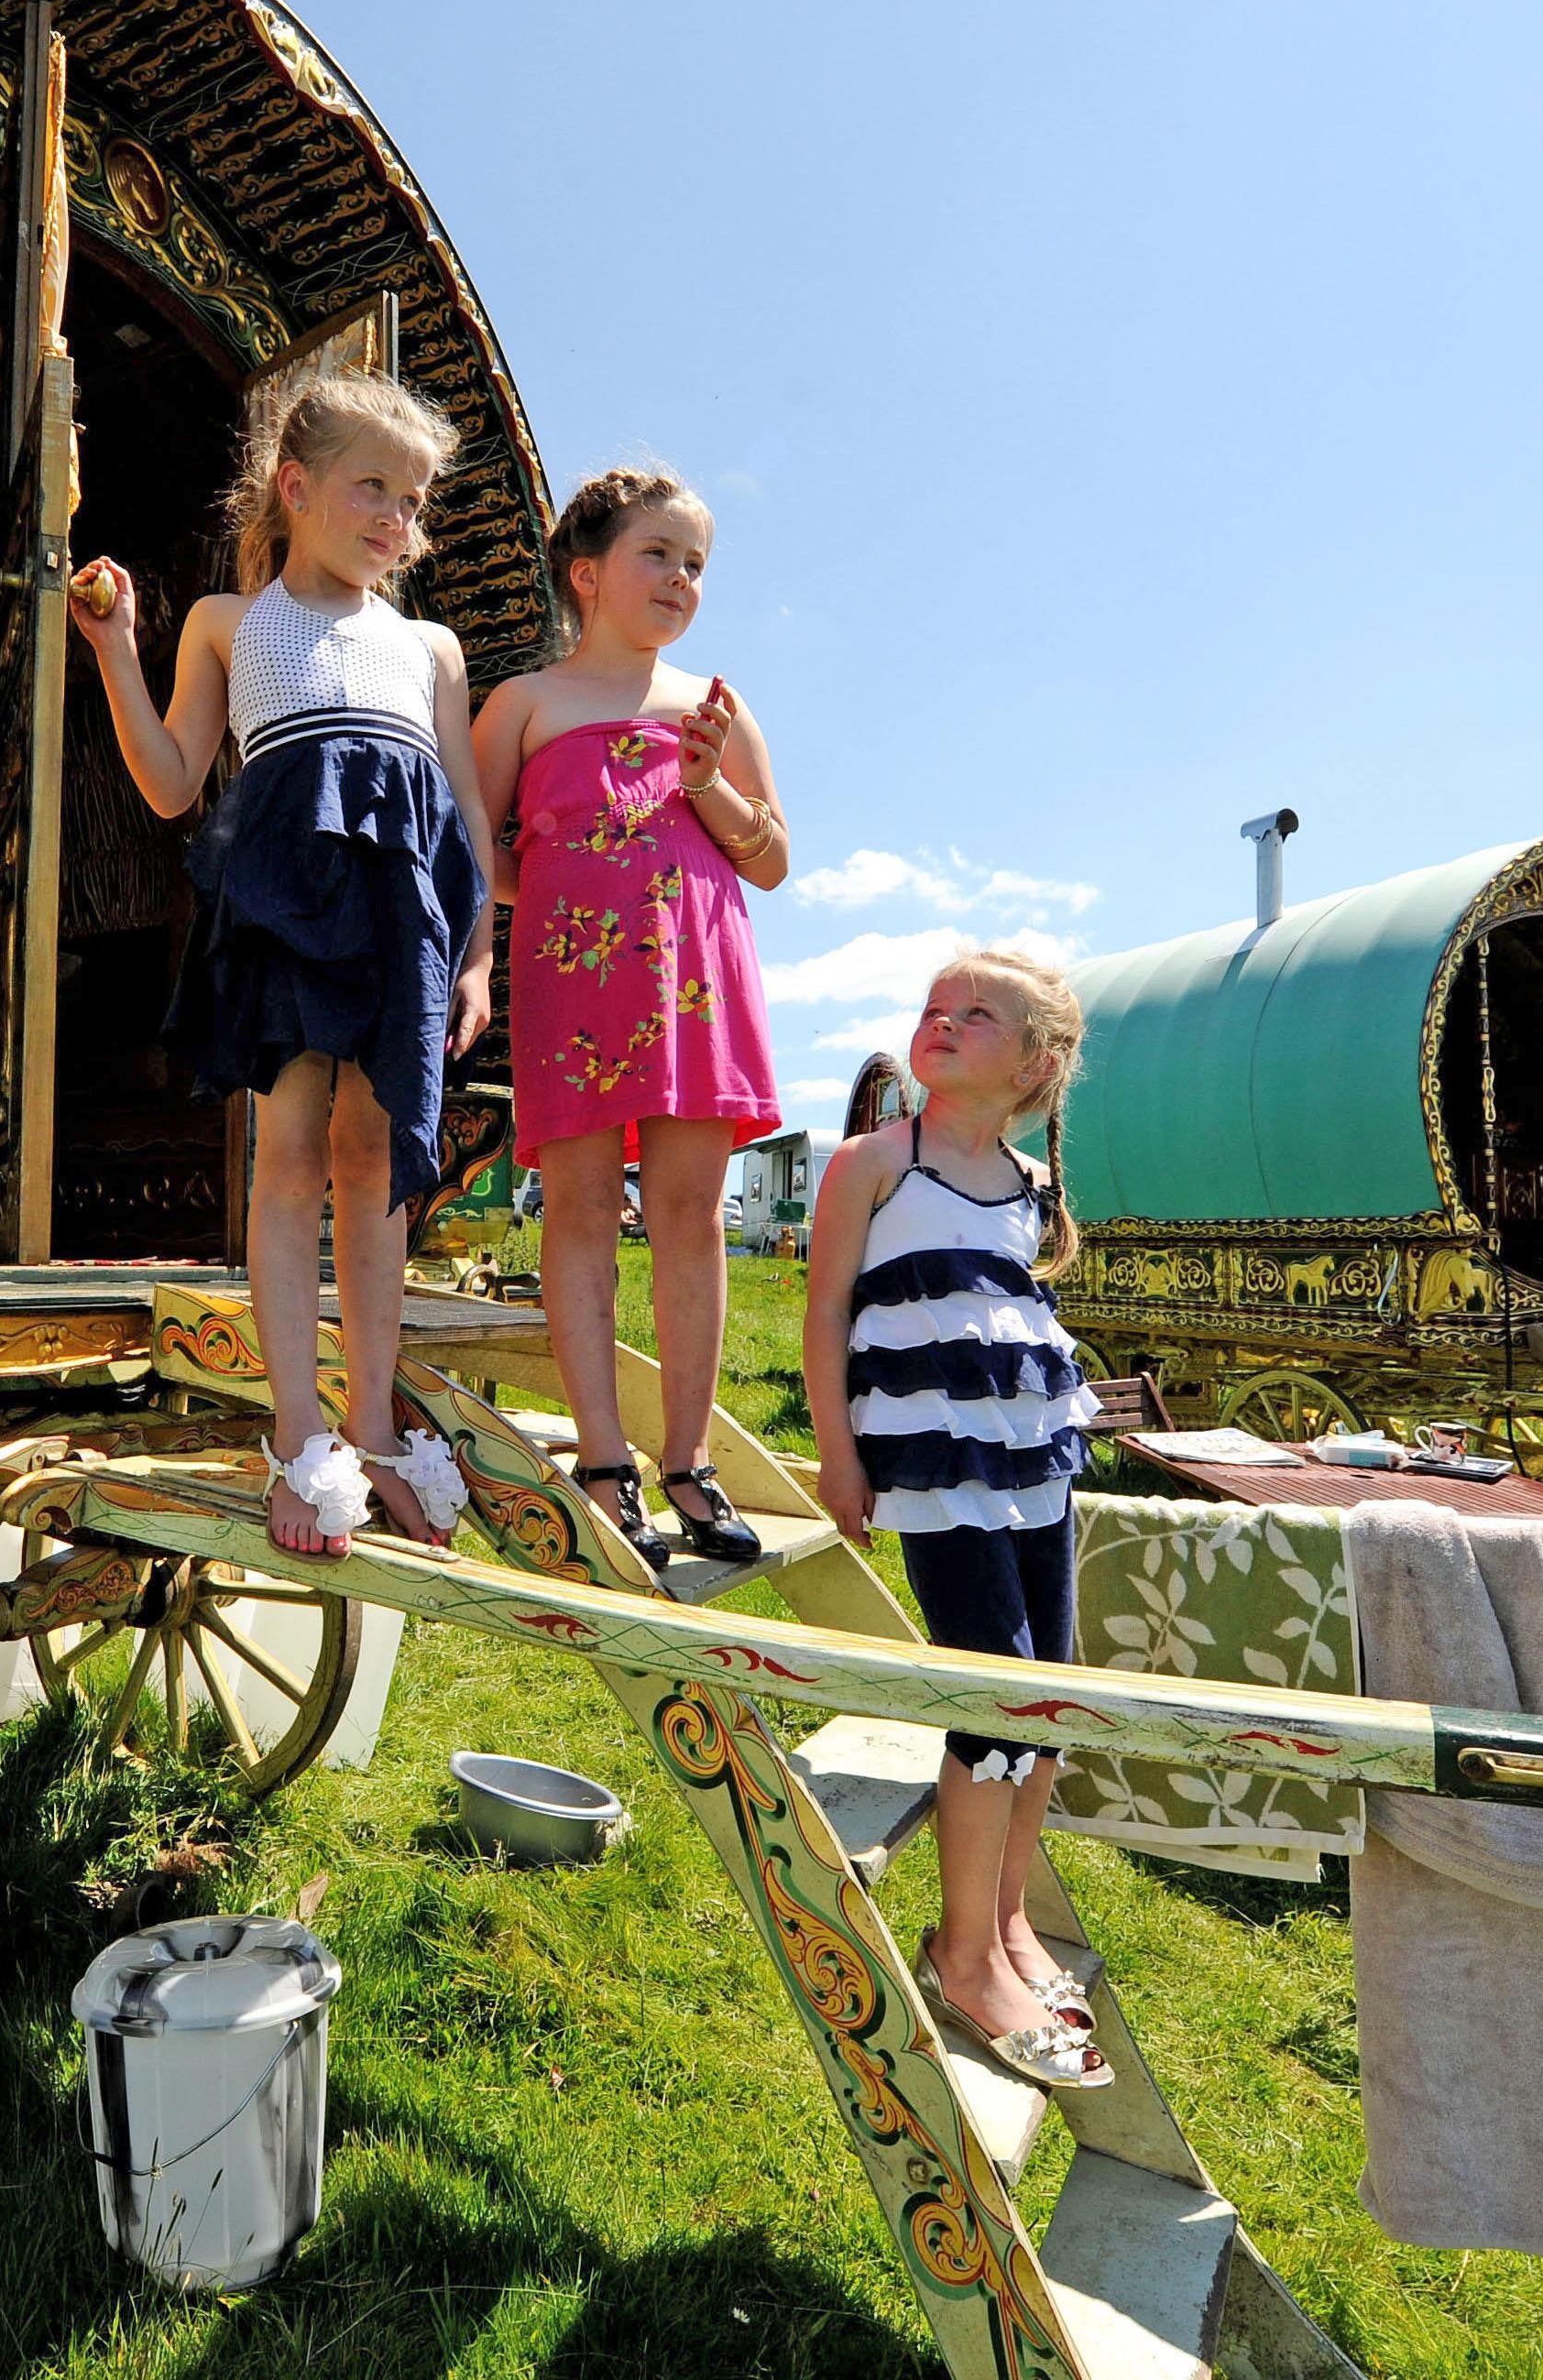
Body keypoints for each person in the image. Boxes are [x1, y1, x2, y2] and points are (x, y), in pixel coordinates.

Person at [71, 374, 489, 1557]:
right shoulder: (227, 623)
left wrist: (479, 954)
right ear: (295, 489)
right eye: (373, 488)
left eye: (413, 502)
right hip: (286, 910)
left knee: (377, 1160)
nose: (395, 520)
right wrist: (115, 648)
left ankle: (372, 1424)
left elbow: (461, 808)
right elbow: (168, 781)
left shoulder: (430, 648)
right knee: (293, 1154)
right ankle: (296, 1440)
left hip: (403, 921)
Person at [803, 949, 1110, 2090]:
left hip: (1033, 1461)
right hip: (934, 1467)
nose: (944, 1022)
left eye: (977, 1015)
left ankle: (1011, 1918)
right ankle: (965, 1952)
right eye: (936, 1007)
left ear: (1034, 1064)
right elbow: (828, 1307)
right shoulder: (875, 1164)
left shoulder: (1032, 1187)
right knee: (994, 1691)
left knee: (1053, 1690)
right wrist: (840, 1456)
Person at [471, 468, 784, 1577]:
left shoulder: (714, 708)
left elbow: (776, 858)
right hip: (574, 981)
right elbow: (481, 858)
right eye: (660, 554)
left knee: (694, 1214)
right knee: (583, 1213)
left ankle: (689, 1460)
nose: (682, 580)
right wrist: (570, 889)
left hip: (700, 978)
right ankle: (605, 1462)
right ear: (589, 572)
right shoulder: (522, 704)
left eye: (696, 563)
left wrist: (711, 788)